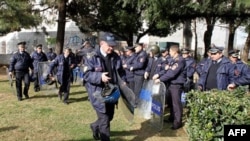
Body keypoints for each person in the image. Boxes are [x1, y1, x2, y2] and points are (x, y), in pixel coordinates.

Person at [83, 32, 125, 141]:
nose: (111, 48)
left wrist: (123, 81)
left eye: (113, 45)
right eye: (109, 45)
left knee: (109, 116)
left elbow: (121, 72)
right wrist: (99, 76)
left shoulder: (115, 56)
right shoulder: (91, 55)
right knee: (105, 121)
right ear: (102, 43)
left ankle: (94, 126)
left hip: (112, 92)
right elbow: (86, 75)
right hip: (97, 93)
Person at [153, 45, 186, 130]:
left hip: (176, 85)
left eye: (170, 51)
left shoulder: (180, 61)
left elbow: (172, 73)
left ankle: (177, 122)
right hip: (171, 84)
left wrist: (160, 79)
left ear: (174, 52)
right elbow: (167, 70)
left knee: (176, 105)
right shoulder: (173, 60)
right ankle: (172, 118)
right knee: (171, 103)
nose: (169, 53)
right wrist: (159, 74)